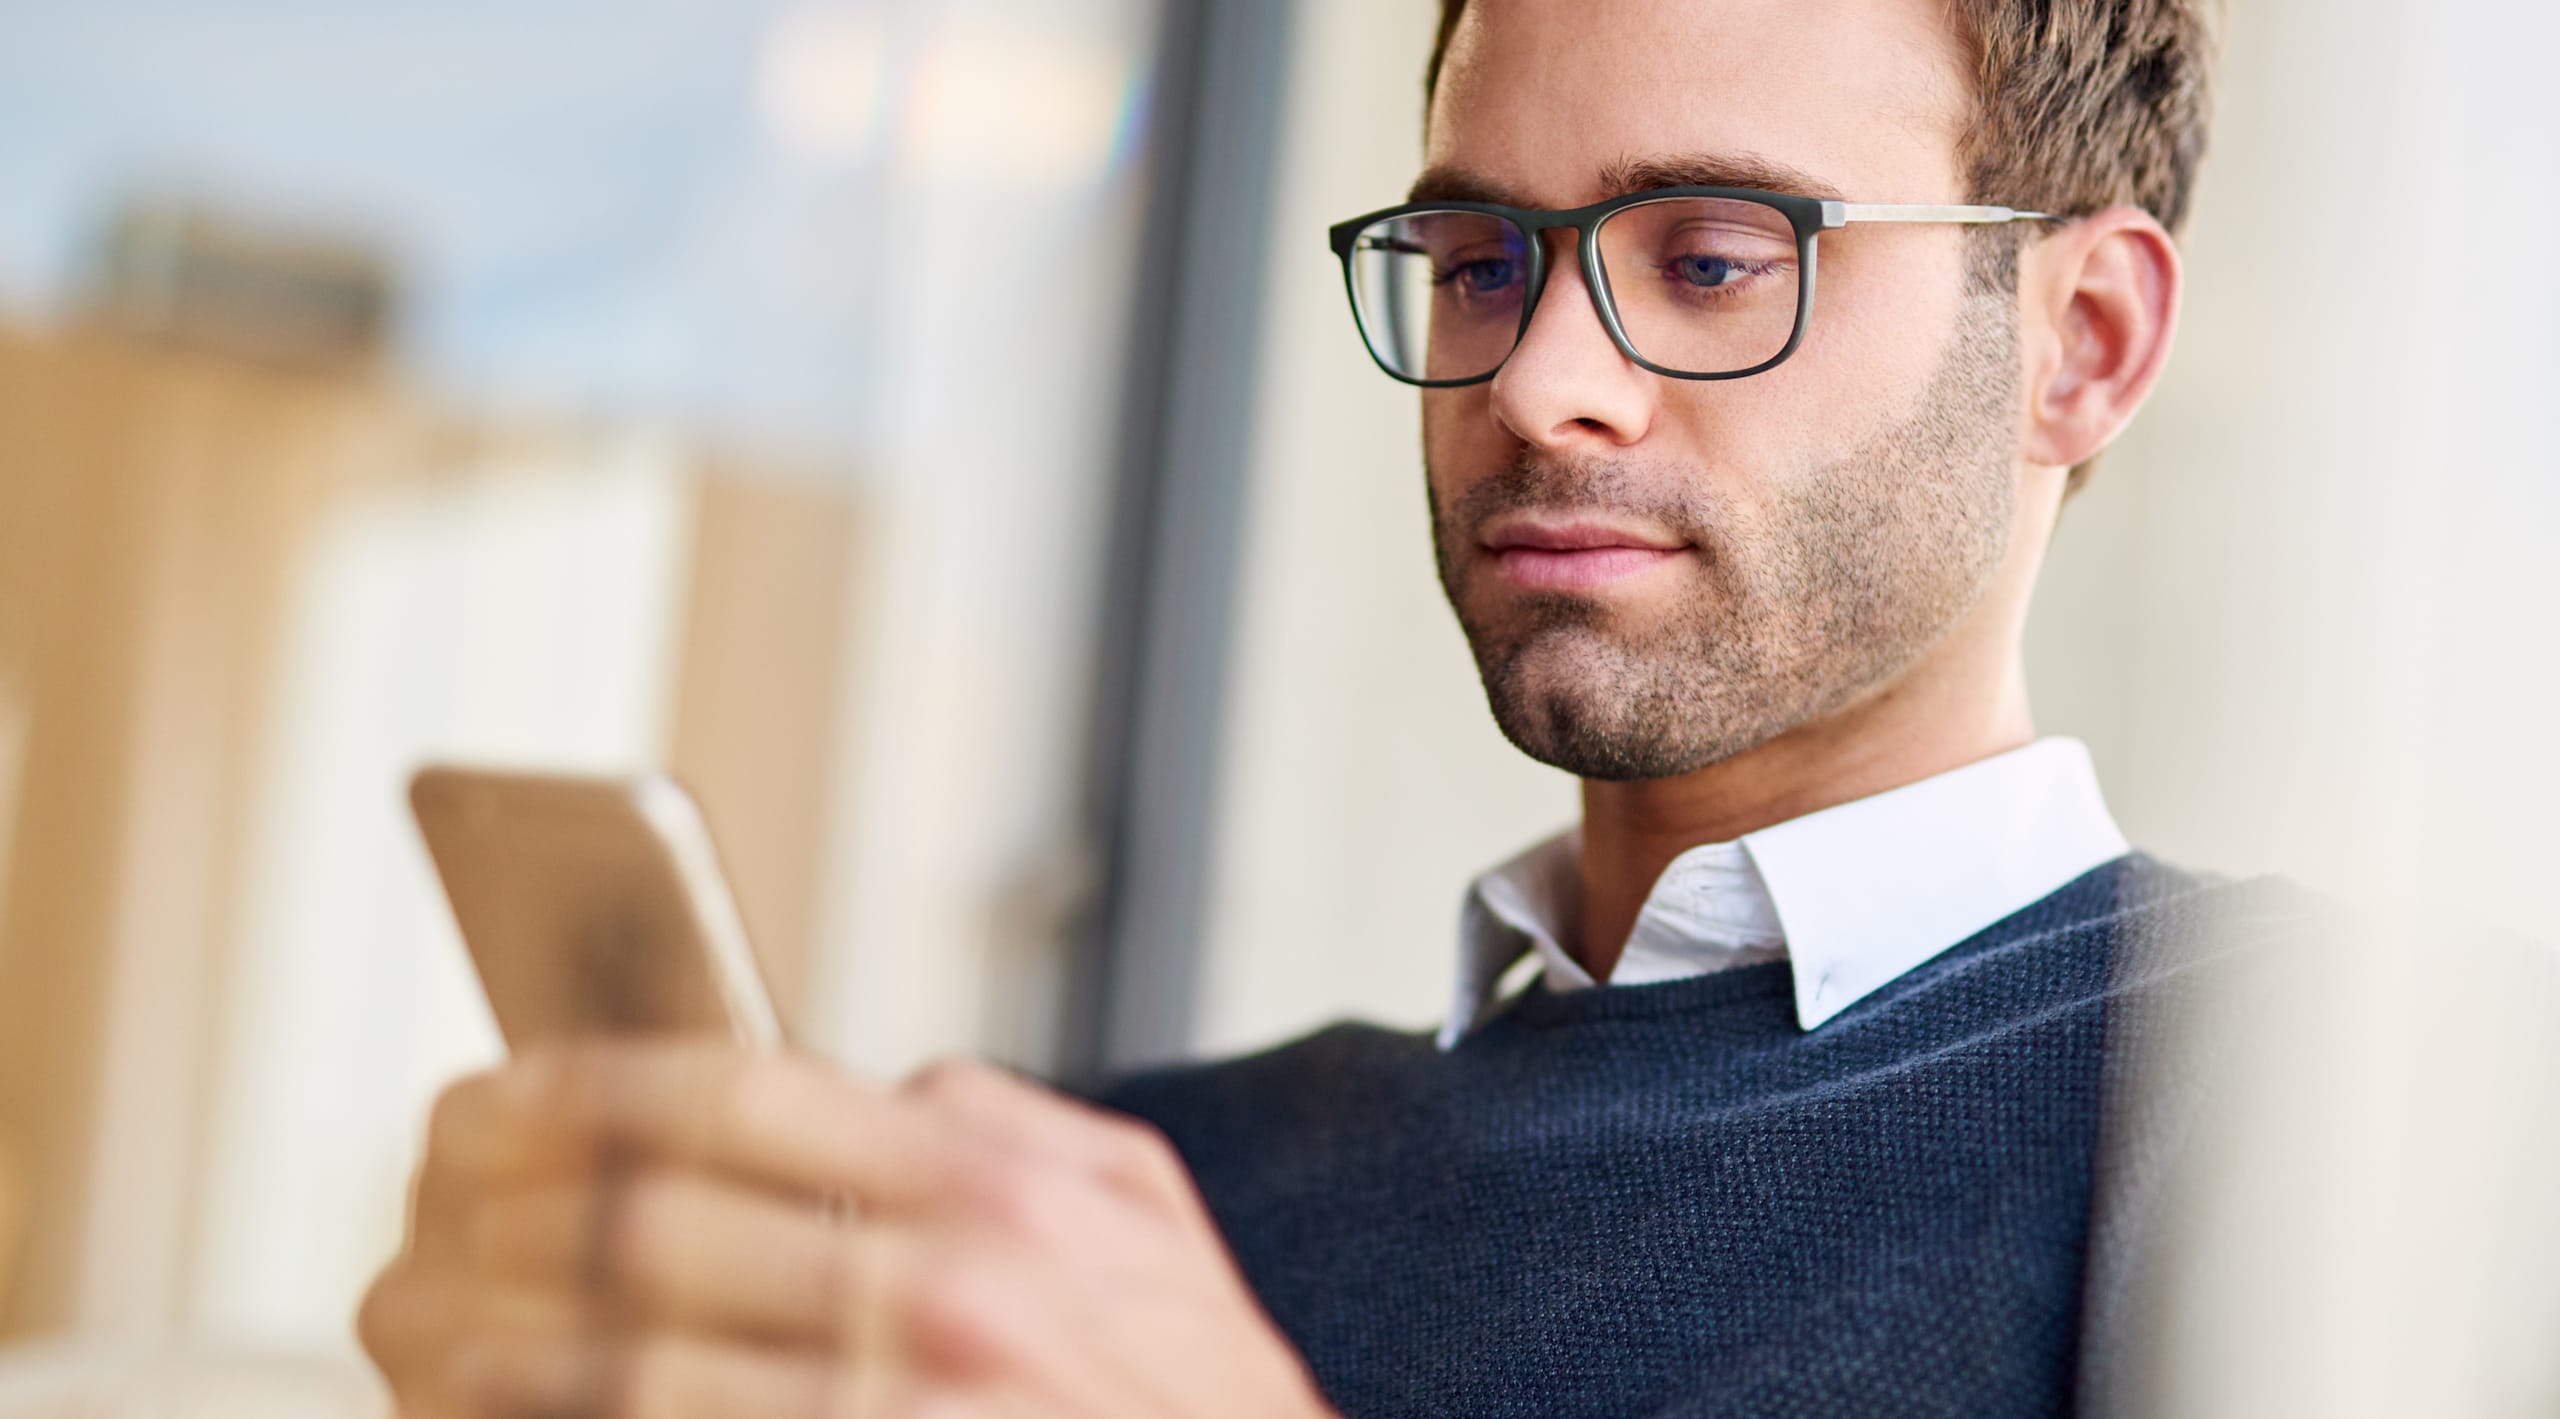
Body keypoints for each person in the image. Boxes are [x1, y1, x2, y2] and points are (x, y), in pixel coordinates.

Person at [359, 0, 2273, 1413]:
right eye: (1476, 264)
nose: (1539, 387)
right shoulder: (1112, 1194)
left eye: (1707, 261)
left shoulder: (2340, 1105)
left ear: (2081, 348)